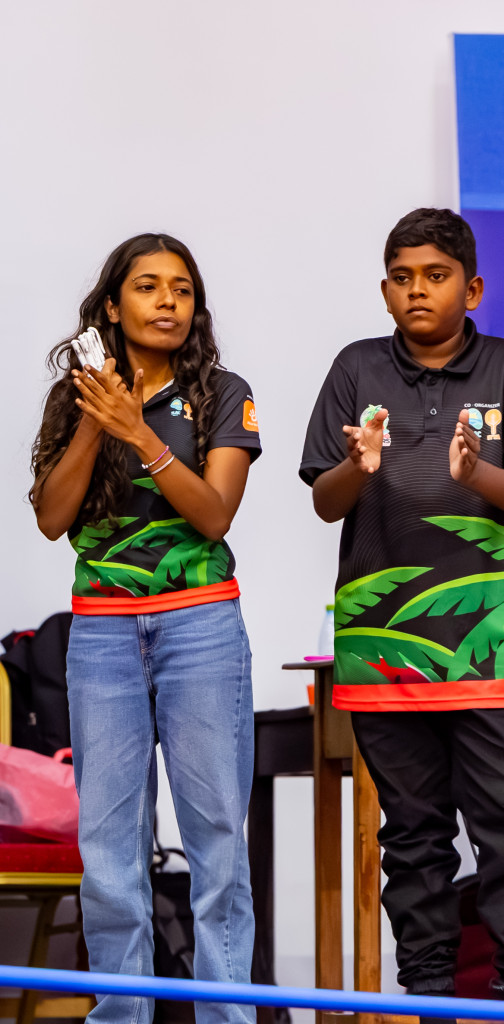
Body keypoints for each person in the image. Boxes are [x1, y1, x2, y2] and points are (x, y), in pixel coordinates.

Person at [29, 234, 259, 1024]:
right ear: (112, 306)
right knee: (109, 851)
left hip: (199, 626)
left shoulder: (224, 393)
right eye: (148, 287)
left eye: (182, 289)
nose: (167, 301)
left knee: (218, 842)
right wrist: (99, 418)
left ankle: (226, 1016)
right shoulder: (76, 399)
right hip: (101, 635)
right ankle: (120, 1014)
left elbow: (213, 511)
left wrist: (139, 430)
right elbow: (53, 519)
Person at [302, 207, 504, 1001]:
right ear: (384, 289)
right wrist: (359, 465)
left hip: (489, 652)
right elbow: (326, 500)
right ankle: (429, 1003)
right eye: (402, 277)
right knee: (413, 843)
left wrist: (475, 477)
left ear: (474, 287)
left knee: (501, 835)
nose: (416, 290)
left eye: (436, 275)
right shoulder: (356, 369)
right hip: (384, 650)